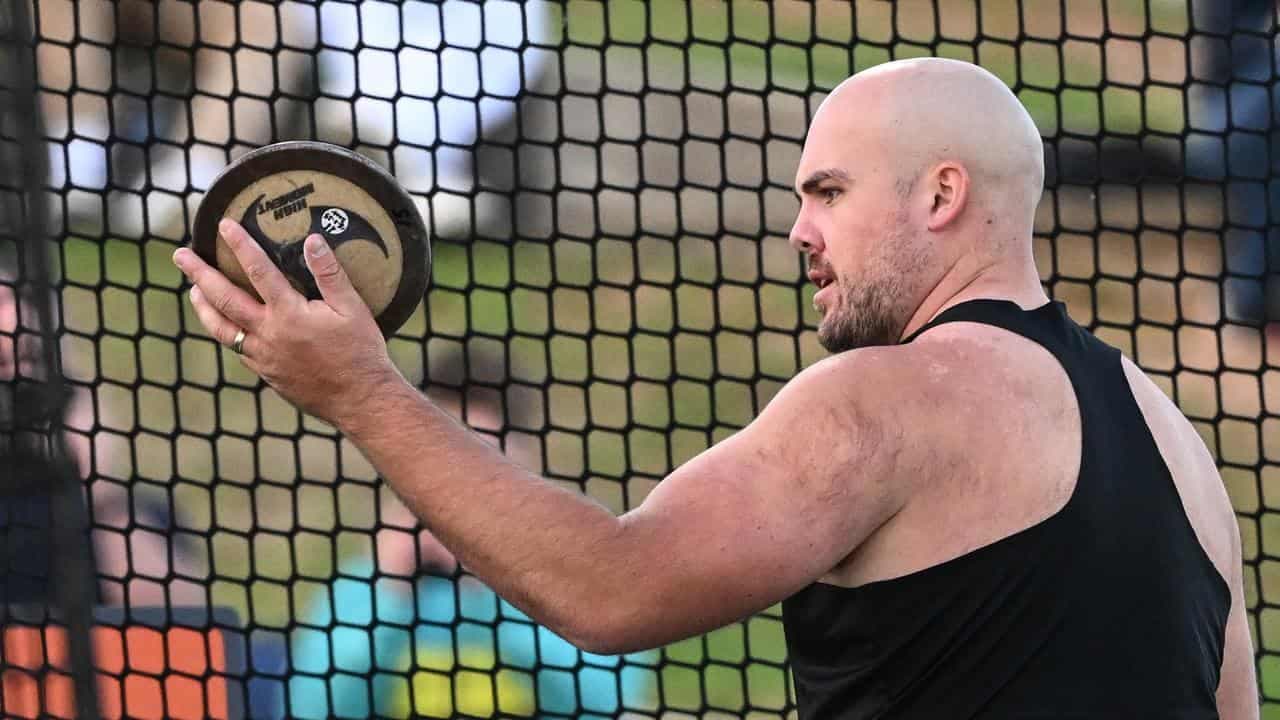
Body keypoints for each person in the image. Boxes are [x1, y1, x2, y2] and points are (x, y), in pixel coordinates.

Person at [172, 57, 1258, 717]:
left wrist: (362, 394)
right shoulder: (1174, 441)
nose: (799, 232)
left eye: (828, 193)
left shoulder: (881, 401)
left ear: (940, 195)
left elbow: (610, 587)